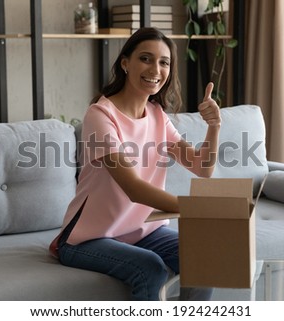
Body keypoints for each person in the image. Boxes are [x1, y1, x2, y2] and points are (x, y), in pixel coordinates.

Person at [50, 27, 221, 301]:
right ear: (125, 63)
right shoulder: (100, 115)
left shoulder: (157, 115)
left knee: (202, 256)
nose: (155, 68)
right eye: (145, 58)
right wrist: (194, 208)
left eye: (164, 62)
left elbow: (202, 168)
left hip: (142, 231)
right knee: (150, 268)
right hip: (87, 238)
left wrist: (214, 126)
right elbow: (133, 187)